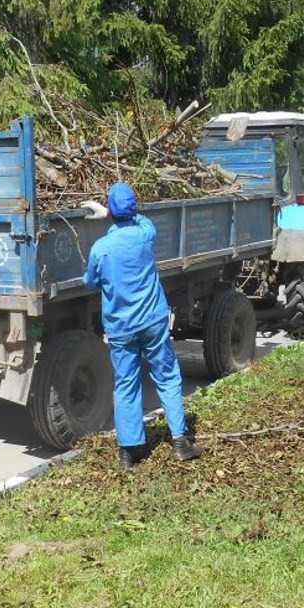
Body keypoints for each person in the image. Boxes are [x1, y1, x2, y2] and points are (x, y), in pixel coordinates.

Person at [82, 182, 206, 468]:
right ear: (134, 210)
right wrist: (115, 213)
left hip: (121, 327)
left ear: (111, 212)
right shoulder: (144, 234)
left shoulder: (101, 249)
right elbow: (142, 219)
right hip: (152, 321)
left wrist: (104, 216)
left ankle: (129, 451)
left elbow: (89, 281)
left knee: (126, 384)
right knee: (166, 376)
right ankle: (180, 441)